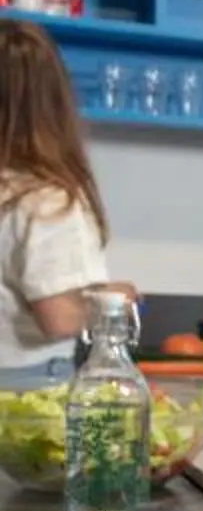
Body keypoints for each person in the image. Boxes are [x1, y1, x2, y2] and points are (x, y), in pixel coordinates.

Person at [0, 19, 124, 377]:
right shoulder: (46, 198)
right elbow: (57, 317)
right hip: (27, 386)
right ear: (55, 99)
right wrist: (113, 302)